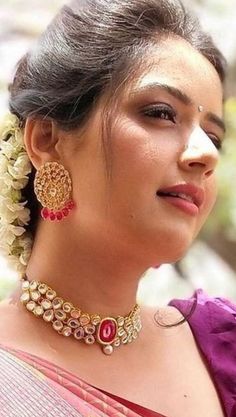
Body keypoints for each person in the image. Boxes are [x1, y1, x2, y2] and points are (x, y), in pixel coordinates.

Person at [0, 0, 235, 416]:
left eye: (214, 137)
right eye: (161, 113)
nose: (206, 155)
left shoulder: (222, 351)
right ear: (47, 140)